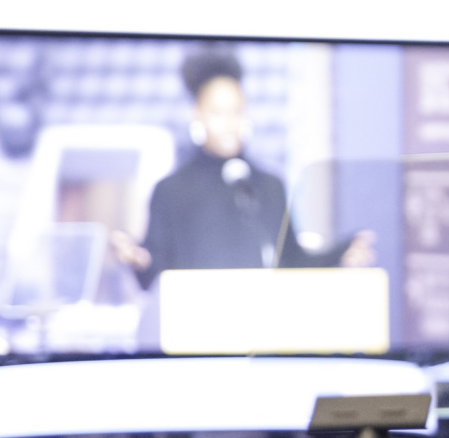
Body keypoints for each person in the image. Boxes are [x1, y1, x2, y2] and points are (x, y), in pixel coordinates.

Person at [109, 50, 374, 286]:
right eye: (217, 113)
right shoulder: (171, 190)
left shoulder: (269, 186)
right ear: (197, 114)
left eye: (236, 111)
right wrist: (139, 260)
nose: (229, 124)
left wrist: (340, 253)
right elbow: (157, 270)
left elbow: (291, 261)